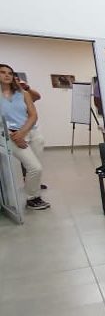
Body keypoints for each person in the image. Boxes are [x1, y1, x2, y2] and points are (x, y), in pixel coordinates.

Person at [0, 64, 49, 210]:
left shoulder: (22, 93)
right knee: (35, 168)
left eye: (10, 73)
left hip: (31, 132)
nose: (7, 75)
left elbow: (33, 115)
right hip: (11, 135)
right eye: (2, 72)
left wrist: (23, 132)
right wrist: (15, 135)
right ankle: (32, 198)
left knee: (34, 167)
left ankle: (33, 194)